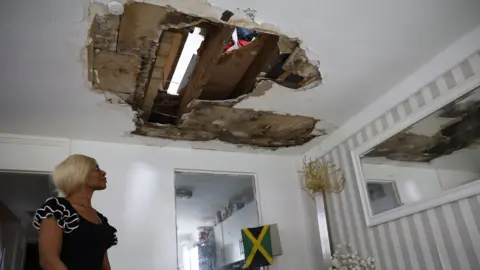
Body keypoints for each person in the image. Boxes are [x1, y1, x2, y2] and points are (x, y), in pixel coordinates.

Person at [32, 154, 117, 270]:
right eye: (96, 168)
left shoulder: (101, 219)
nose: (103, 172)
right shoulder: (57, 208)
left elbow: (105, 265)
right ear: (81, 174)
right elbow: (49, 260)